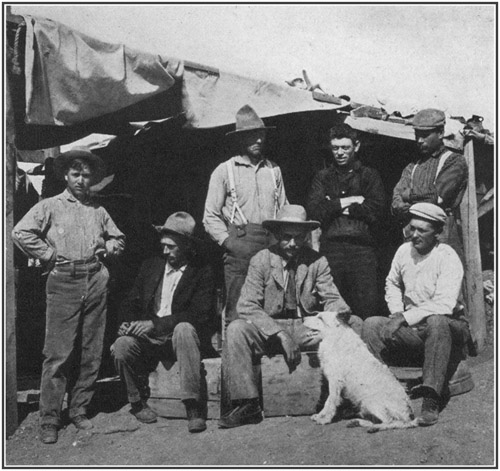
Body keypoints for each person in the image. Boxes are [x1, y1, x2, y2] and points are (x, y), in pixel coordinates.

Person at [12, 147, 125, 444]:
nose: (81, 180)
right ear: (65, 175)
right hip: (63, 280)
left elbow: (117, 238)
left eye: (86, 175)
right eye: (76, 174)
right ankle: (49, 417)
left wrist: (111, 247)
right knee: (58, 353)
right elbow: (21, 232)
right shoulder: (49, 206)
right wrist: (49, 255)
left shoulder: (99, 210)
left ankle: (79, 409)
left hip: (95, 278)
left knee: (91, 349)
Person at [218, 205, 362, 429]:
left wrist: (339, 311)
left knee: (354, 324)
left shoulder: (317, 261)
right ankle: (248, 403)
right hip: (270, 329)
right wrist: (280, 333)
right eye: (286, 238)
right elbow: (246, 305)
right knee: (236, 329)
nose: (293, 244)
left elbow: (332, 297)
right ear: (276, 235)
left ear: (306, 237)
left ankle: (343, 398)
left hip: (307, 328)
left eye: (299, 238)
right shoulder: (261, 260)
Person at [362, 202, 472, 427]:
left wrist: (405, 318)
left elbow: (444, 304)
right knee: (371, 324)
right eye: (412, 228)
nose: (414, 234)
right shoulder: (404, 251)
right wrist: (396, 313)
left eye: (422, 230)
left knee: (437, 321)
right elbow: (391, 282)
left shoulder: (447, 256)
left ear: (437, 233)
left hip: (449, 329)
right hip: (415, 330)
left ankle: (431, 398)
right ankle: (380, 394)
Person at [111, 212, 216, 433]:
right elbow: (131, 300)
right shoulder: (151, 266)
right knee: (121, 346)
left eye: (171, 246)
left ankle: (192, 406)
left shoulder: (202, 272)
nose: (165, 251)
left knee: (185, 328)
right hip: (149, 340)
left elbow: (200, 314)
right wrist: (126, 323)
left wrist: (156, 325)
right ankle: (137, 402)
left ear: (187, 246)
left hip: (180, 340)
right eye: (163, 245)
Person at [203, 105, 288, 322]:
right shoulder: (225, 170)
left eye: (261, 135)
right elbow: (210, 216)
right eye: (252, 135)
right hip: (240, 243)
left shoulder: (273, 170)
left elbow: (284, 207)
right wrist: (229, 243)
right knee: (237, 310)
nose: (258, 140)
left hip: (271, 244)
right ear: (240, 139)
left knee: (271, 305)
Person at [307, 123, 385, 319]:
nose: (340, 153)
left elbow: (376, 211)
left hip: (362, 252)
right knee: (333, 310)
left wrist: (332, 205)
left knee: (366, 308)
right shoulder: (323, 178)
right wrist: (350, 201)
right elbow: (315, 211)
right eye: (335, 148)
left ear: (356, 146)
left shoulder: (369, 176)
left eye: (345, 147)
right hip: (331, 251)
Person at [391, 108, 468, 252]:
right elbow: (396, 203)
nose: (419, 140)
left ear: (440, 133)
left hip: (441, 237)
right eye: (417, 135)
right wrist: (408, 202)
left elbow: (436, 198)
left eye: (425, 135)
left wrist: (408, 196)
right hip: (411, 237)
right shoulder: (413, 166)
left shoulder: (454, 161)